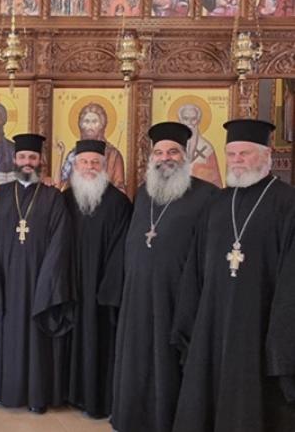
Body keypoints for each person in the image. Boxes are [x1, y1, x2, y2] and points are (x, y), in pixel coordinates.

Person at [171, 119, 295, 432]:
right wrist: (189, 323)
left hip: (260, 325)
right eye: (231, 154)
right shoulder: (217, 204)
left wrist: (282, 340)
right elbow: (195, 269)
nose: (236, 160)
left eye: (245, 153)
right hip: (213, 323)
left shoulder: (287, 203)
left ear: (266, 155)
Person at [111, 122, 217, 432]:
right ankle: (132, 417)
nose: (165, 158)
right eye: (158, 152)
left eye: (173, 152)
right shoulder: (144, 193)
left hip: (178, 296)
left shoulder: (207, 196)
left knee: (168, 361)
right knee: (137, 357)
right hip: (138, 295)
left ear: (186, 156)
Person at [0, 133, 72, 413]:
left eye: (32, 157)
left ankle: (36, 397)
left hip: (39, 283)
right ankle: (4, 392)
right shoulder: (0, 195)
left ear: (40, 160)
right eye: (22, 157)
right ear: (14, 160)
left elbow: (60, 242)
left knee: (37, 341)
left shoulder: (53, 198)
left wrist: (47, 282)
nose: (27, 162)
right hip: (5, 282)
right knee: (6, 337)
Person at [63, 139, 132, 419]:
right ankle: (68, 394)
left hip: (101, 291)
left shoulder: (119, 203)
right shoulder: (64, 200)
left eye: (95, 162)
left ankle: (96, 399)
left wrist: (107, 289)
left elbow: (121, 250)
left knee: (99, 343)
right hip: (69, 286)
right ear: (75, 166)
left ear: (104, 167)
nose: (89, 167)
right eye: (84, 162)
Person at [60, 103, 126, 192]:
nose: (90, 126)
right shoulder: (73, 155)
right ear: (80, 125)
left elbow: (120, 187)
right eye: (86, 121)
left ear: (102, 125)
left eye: (94, 121)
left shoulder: (113, 155)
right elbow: (61, 185)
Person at [177, 103, 222, 187]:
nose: (189, 123)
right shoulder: (173, 146)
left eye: (193, 119)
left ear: (198, 121)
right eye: (186, 119)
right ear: (180, 121)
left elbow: (216, 182)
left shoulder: (207, 148)